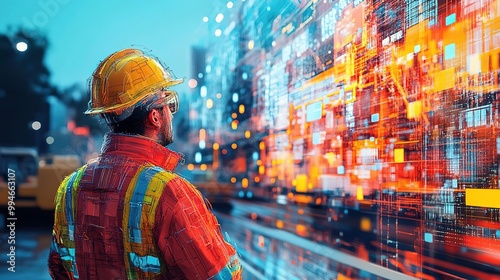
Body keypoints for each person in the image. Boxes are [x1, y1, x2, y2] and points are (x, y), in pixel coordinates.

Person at [48, 48, 242, 279]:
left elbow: (58, 268)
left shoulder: (69, 189)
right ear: (155, 116)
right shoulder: (170, 193)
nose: (171, 113)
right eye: (169, 104)